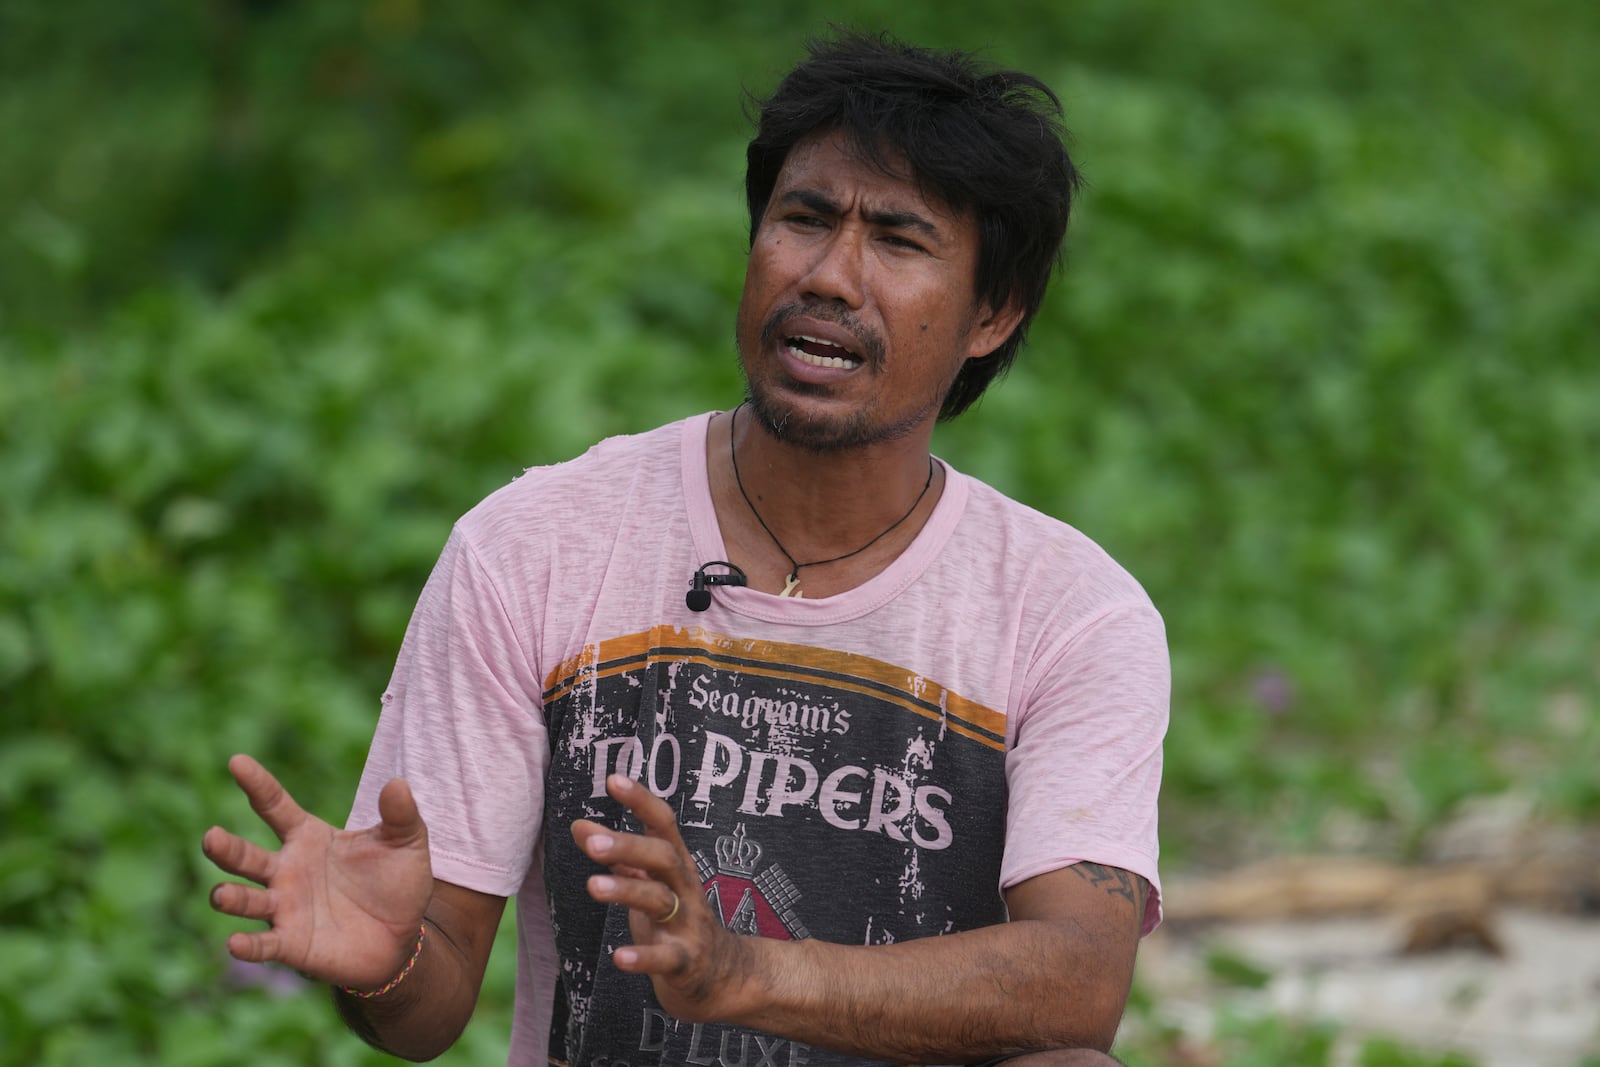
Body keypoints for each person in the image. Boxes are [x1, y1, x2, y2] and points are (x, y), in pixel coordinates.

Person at [203, 30, 1168, 1067]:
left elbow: (1077, 981)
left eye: (897, 239)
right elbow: (428, 1007)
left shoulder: (1069, 613)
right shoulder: (533, 545)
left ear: (993, 313)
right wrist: (388, 958)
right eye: (803, 218)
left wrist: (741, 970)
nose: (830, 275)